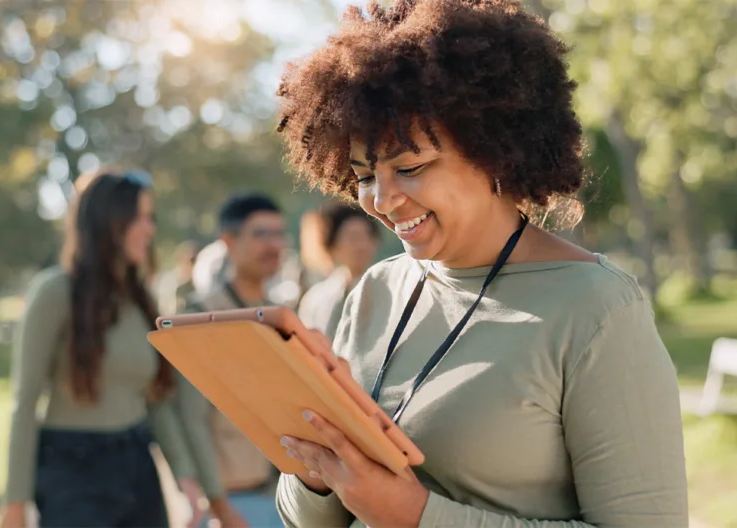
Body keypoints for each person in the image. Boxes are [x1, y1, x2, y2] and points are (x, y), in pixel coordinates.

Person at [272, 1, 689, 527]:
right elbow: (308, 521)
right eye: (364, 175)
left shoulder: (598, 309)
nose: (382, 198)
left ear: (494, 150)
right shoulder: (377, 290)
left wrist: (416, 515)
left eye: (411, 166)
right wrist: (316, 471)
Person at [0, 169, 210, 528]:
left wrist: (186, 479)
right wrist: (14, 503)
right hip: (73, 470)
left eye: (151, 218)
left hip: (137, 463)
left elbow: (155, 399)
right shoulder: (54, 292)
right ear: (106, 222)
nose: (150, 229)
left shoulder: (140, 299)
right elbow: (24, 401)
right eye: (138, 218)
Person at [170, 192, 288, 528]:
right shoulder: (200, 316)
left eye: (279, 234)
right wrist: (218, 505)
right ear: (228, 241)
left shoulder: (281, 315)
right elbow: (191, 419)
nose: (273, 245)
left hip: (283, 495)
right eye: (261, 234)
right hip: (232, 503)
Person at [297, 202, 381, 339]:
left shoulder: (388, 290)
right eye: (353, 237)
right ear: (333, 244)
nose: (362, 245)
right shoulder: (316, 298)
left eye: (367, 236)